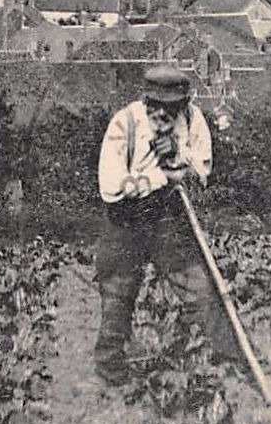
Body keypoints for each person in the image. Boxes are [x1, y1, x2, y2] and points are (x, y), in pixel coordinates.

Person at [92, 64, 238, 385]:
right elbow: (112, 187)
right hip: (125, 221)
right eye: (155, 106)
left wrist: (179, 156)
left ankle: (231, 360)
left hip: (167, 218)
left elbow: (202, 174)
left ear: (183, 104)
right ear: (146, 103)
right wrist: (162, 177)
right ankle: (110, 370)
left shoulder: (193, 121)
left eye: (171, 107)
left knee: (199, 286)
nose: (162, 114)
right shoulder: (124, 124)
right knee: (119, 290)